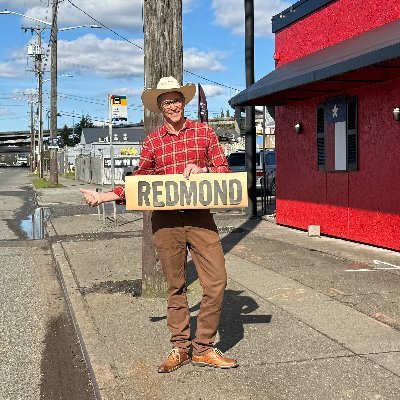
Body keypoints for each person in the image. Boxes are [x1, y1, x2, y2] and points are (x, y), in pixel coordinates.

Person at [80, 76, 238, 373]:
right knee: (175, 286)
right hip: (165, 221)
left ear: (183, 102)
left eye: (177, 100)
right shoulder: (153, 142)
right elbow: (139, 181)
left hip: (200, 218)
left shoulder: (204, 133)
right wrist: (103, 197)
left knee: (216, 282)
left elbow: (224, 170)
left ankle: (203, 347)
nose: (173, 106)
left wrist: (203, 168)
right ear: (160, 108)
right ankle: (180, 347)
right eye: (167, 102)